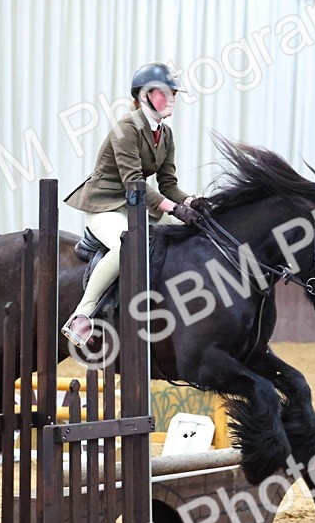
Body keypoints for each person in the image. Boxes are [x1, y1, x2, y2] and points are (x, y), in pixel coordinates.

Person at [61, 62, 208, 347]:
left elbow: (168, 185)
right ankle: (81, 315)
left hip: (135, 206)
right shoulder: (126, 128)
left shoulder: (165, 134)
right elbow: (134, 182)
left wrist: (192, 201)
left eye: (175, 94)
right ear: (145, 97)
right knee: (125, 245)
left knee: (191, 234)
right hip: (105, 205)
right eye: (167, 93)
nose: (174, 99)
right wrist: (174, 209)